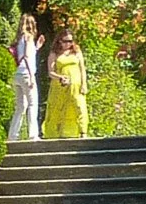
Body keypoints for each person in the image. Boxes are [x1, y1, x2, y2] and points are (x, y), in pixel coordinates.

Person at [41, 31, 88, 139]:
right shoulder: (54, 54)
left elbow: (82, 69)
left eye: (70, 41)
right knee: (58, 108)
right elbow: (51, 72)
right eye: (65, 41)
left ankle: (83, 131)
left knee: (79, 106)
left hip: (76, 85)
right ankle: (56, 132)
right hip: (60, 86)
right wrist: (60, 77)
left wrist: (84, 84)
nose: (68, 44)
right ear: (60, 41)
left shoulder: (76, 52)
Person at [9, 14, 42, 142]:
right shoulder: (28, 37)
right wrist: (32, 76)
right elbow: (27, 57)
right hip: (26, 73)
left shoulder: (18, 39)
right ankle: (33, 134)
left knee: (20, 106)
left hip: (17, 73)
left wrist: (37, 48)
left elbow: (23, 54)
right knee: (33, 103)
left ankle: (13, 135)